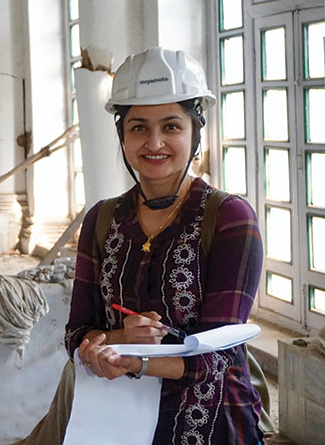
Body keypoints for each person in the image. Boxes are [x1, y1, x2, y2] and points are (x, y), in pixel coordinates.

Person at [62, 47, 264, 443]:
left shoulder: (230, 218)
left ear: (195, 132)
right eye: (138, 127)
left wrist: (130, 360)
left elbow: (217, 354)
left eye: (171, 126)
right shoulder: (102, 219)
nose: (154, 142)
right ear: (122, 134)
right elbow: (76, 334)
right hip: (115, 422)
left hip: (212, 425)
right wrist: (116, 340)